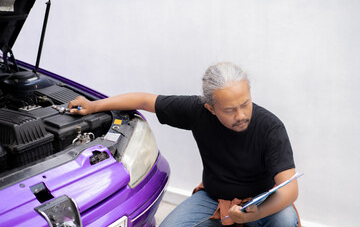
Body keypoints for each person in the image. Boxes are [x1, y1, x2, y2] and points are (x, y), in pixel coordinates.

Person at [68, 62, 299, 227]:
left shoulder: (271, 128)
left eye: (245, 104)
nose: (240, 115)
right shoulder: (197, 111)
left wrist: (249, 216)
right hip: (214, 199)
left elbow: (289, 190)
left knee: (286, 220)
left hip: (260, 204)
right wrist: (94, 106)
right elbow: (145, 100)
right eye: (229, 110)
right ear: (210, 108)